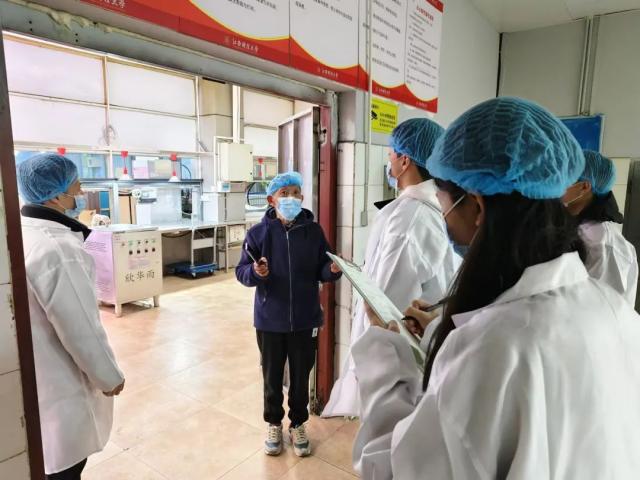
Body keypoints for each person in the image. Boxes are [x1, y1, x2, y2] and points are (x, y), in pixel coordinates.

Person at [352, 97, 640, 479]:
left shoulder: (492, 351)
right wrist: (438, 328)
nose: (442, 215)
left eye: (441, 198)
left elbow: (394, 468)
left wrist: (385, 357)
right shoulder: (614, 309)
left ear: (476, 206)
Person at [323, 117, 459, 418]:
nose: (389, 162)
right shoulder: (436, 207)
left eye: (390, 155)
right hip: (426, 348)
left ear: (405, 160)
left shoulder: (410, 217)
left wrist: (366, 363)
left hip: (401, 366)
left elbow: (385, 305)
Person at [17, 153, 125, 480]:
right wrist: (109, 377)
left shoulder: (26, 232)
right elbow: (80, 328)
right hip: (62, 387)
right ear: (54, 196)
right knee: (65, 467)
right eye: (75, 185)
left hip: (38, 381)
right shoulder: (58, 249)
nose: (80, 191)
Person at [236, 171, 342, 457]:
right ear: (272, 200)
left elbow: (323, 267)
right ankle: (273, 423)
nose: (291, 198)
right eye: (284, 194)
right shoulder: (258, 234)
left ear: (302, 198)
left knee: (300, 375)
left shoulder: (313, 232)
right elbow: (241, 271)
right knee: (271, 376)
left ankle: (297, 424)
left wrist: (332, 270)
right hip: (269, 319)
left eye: (295, 193)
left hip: (306, 318)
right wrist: (255, 272)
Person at [562, 150, 638, 306]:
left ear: (584, 187)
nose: (556, 182)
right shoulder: (575, 226)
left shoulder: (604, 245)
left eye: (564, 178)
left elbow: (604, 307)